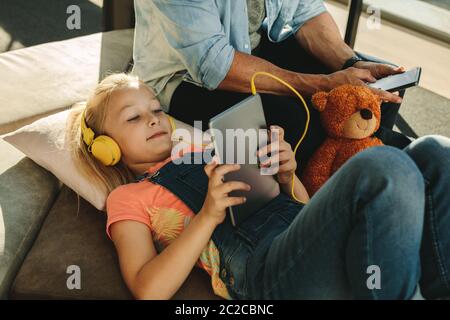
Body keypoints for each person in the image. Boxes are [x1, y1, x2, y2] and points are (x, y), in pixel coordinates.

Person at [66, 73, 450, 300]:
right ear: (107, 148)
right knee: (381, 165)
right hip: (265, 272)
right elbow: (147, 289)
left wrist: (286, 176)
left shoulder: (207, 144)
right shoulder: (128, 197)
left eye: (155, 109)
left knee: (435, 152)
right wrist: (208, 215)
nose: (153, 119)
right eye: (133, 117)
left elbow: (300, 206)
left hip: (304, 242)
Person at [131, 0, 412, 174]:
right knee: (296, 122)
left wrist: (350, 63)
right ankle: (337, 197)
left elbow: (306, 11)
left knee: (375, 92)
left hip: (247, 46)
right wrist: (323, 84)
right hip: (183, 77)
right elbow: (214, 65)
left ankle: (374, 164)